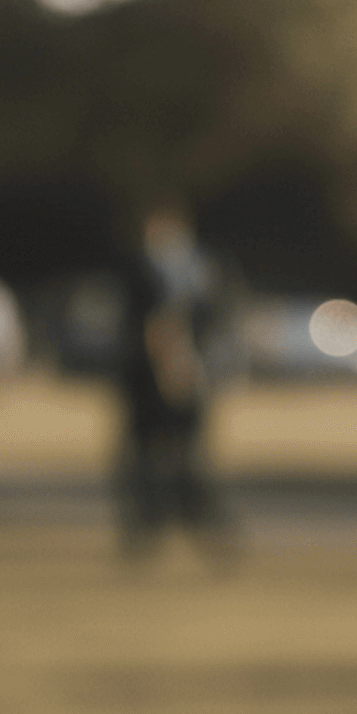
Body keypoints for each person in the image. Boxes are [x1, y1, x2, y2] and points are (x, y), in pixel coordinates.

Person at [112, 201, 235, 559]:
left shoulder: (198, 271)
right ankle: (149, 532)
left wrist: (185, 364)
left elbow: (210, 322)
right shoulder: (142, 269)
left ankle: (202, 527)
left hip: (183, 381)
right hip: (148, 383)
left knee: (183, 462)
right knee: (147, 462)